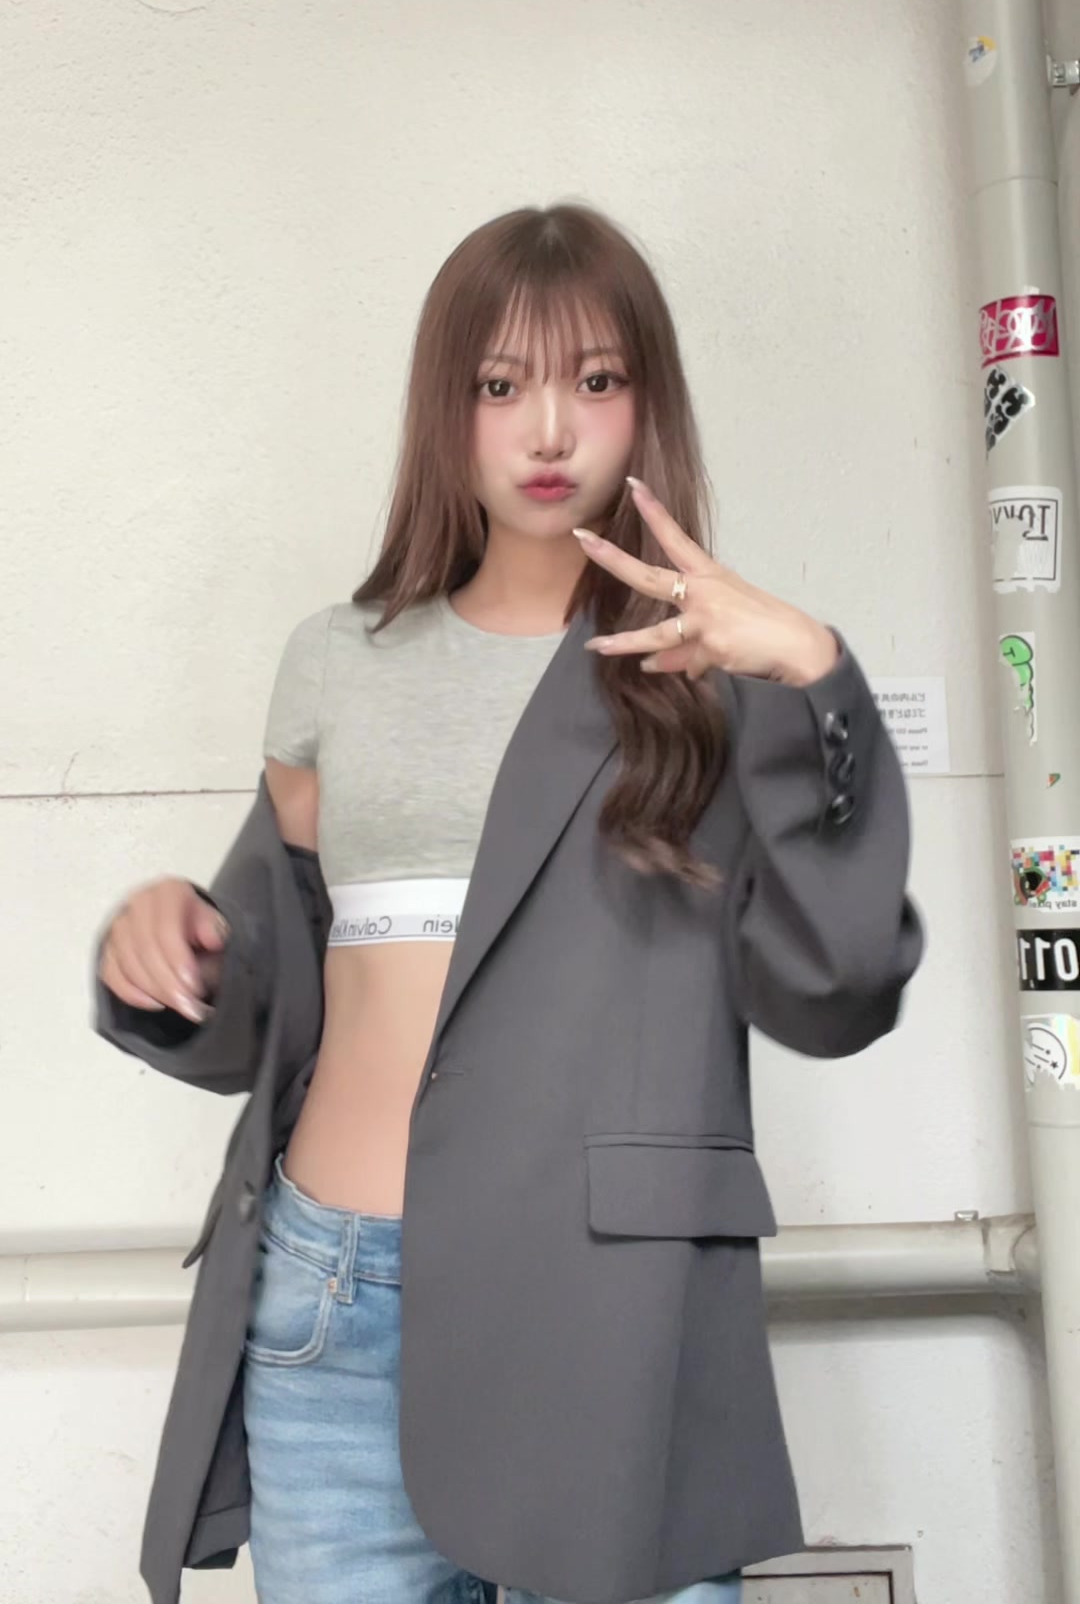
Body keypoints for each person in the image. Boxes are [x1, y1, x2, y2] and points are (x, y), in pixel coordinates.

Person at [95, 200, 923, 1604]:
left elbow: (839, 989)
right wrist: (169, 941)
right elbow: (266, 976)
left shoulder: (716, 683)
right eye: (499, 385)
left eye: (596, 380)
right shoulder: (338, 661)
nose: (549, 429)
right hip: (333, 1301)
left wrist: (813, 671)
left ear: (648, 403)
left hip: (608, 1323)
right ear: (448, 407)